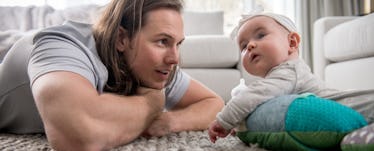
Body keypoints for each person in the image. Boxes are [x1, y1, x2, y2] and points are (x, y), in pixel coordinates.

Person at [0, 0, 225, 150]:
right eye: (162, 41)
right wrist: (152, 104)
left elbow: (213, 102)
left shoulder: (151, 66)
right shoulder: (64, 46)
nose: (174, 58)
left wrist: (170, 121)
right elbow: (78, 135)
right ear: (121, 39)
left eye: (177, 44)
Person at [208, 11, 374, 143]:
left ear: (292, 43)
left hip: (363, 107)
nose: (250, 45)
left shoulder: (289, 71)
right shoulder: (285, 75)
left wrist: (224, 120)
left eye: (260, 35)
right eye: (243, 46)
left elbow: (253, 96)